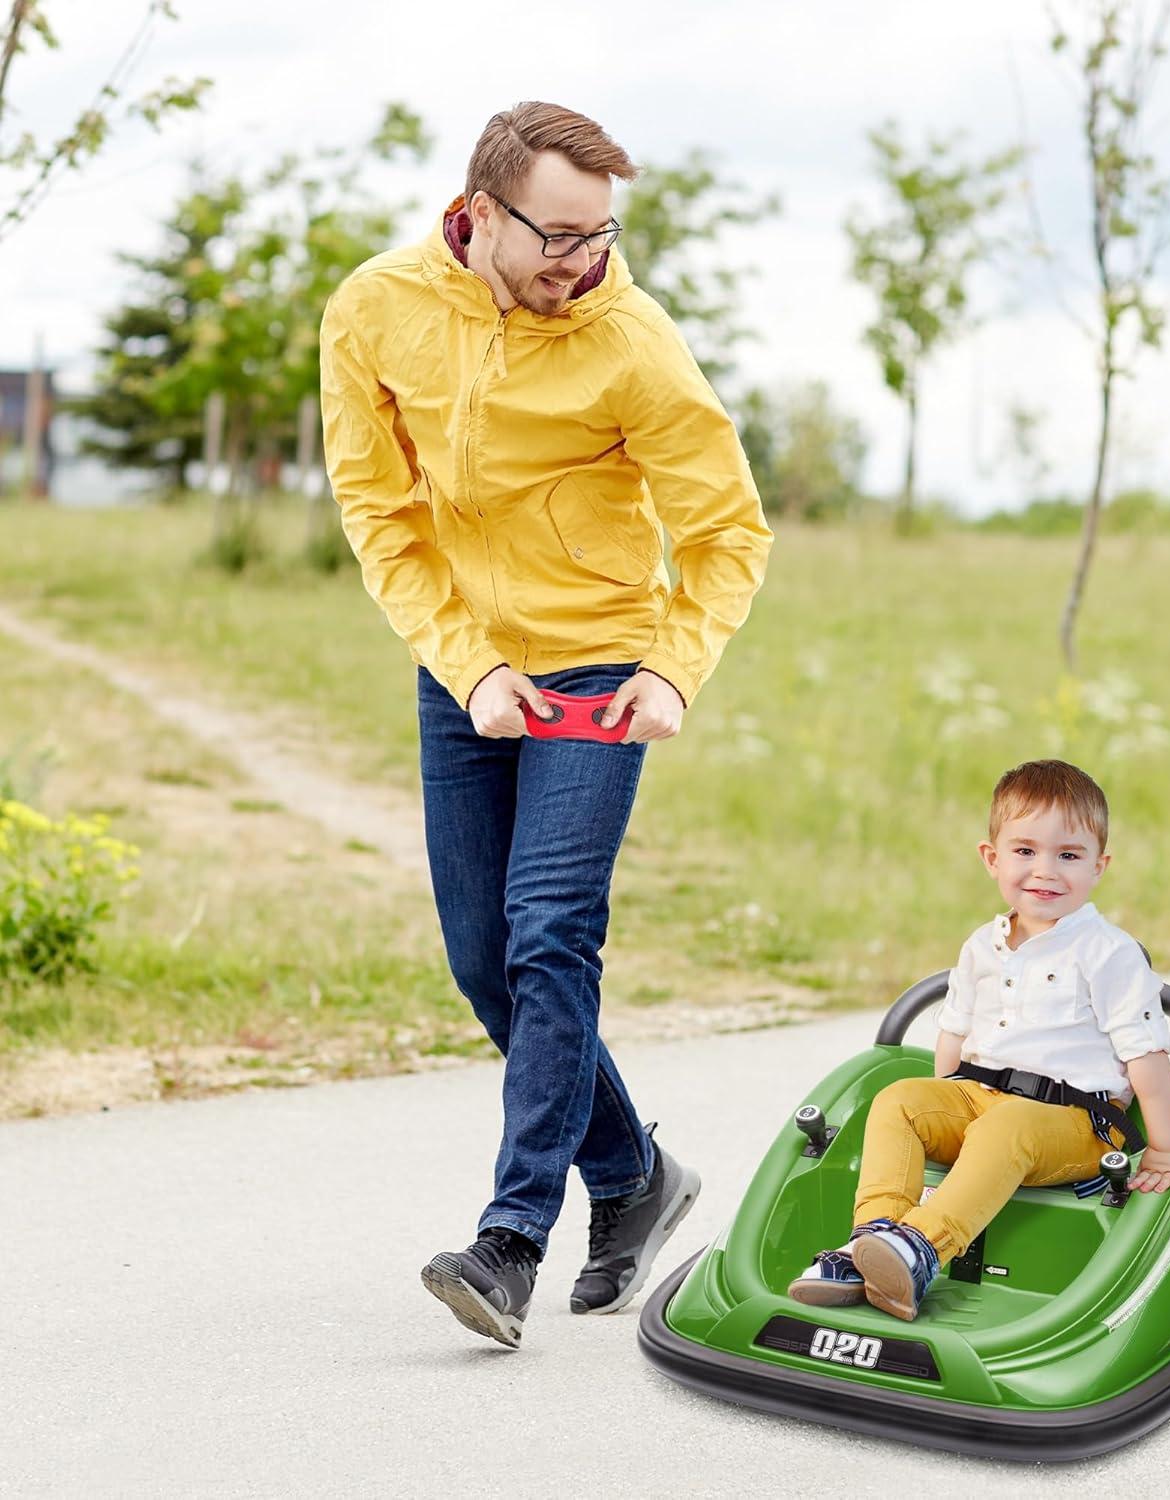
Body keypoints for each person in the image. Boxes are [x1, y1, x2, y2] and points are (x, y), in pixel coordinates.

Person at [319, 102, 772, 1347]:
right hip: (466, 667)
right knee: (482, 957)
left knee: (549, 934)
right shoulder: (375, 309)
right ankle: (633, 1175)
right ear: (480, 211)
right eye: (560, 235)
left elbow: (730, 531)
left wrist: (675, 670)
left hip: (601, 666)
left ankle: (511, 1240)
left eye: (602, 232)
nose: (586, 259)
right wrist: (467, 669)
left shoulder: (633, 343)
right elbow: (382, 514)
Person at [789, 759, 1170, 1322]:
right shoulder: (982, 944)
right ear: (991, 857)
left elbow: (1146, 1055)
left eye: (1068, 855)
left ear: (1099, 866)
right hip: (981, 1100)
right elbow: (953, 1033)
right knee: (900, 1099)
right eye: (1025, 851)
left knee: (1007, 1125)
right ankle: (870, 1244)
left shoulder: (1109, 952)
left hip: (1075, 1123)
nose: (1045, 871)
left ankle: (921, 1247)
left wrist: (1168, 1147)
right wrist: (942, 1111)